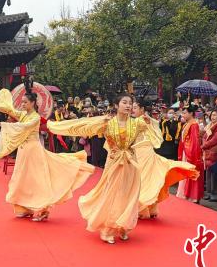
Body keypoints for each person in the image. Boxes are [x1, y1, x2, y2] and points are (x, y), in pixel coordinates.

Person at [48, 94, 165, 244]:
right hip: (114, 164)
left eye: (130, 103)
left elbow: (155, 129)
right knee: (112, 194)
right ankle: (108, 228)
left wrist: (150, 120)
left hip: (130, 164)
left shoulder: (138, 124)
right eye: (124, 102)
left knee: (128, 195)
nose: (128, 105)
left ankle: (123, 226)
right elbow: (83, 125)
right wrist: (57, 126)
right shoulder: (108, 122)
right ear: (117, 105)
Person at [0, 89, 95, 222]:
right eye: (22, 102)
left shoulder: (35, 117)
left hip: (33, 151)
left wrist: (4, 125)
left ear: (32, 103)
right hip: (23, 152)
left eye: (25, 102)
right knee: (22, 179)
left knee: (37, 180)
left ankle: (42, 209)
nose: (22, 104)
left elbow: (24, 127)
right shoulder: (23, 114)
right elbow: (10, 111)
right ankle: (25, 207)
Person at [131, 100, 198, 219]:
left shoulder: (142, 120)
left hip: (144, 153)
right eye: (132, 107)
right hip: (140, 152)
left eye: (135, 107)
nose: (132, 109)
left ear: (142, 109)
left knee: (143, 180)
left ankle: (143, 207)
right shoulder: (146, 120)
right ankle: (149, 208)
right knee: (147, 180)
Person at [176, 105, 205, 203]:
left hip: (190, 153)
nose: (182, 115)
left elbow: (194, 141)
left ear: (191, 113)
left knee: (191, 173)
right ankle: (185, 193)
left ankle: (193, 196)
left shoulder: (194, 124)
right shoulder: (187, 124)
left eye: (184, 113)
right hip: (186, 151)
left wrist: (191, 153)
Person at [202, 110, 217, 202]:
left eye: (215, 115)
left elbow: (216, 139)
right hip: (208, 150)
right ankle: (209, 192)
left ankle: (216, 194)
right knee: (208, 173)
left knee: (214, 174)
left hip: (215, 151)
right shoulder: (210, 125)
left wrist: (204, 145)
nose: (213, 117)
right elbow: (205, 137)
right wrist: (205, 144)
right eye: (212, 115)